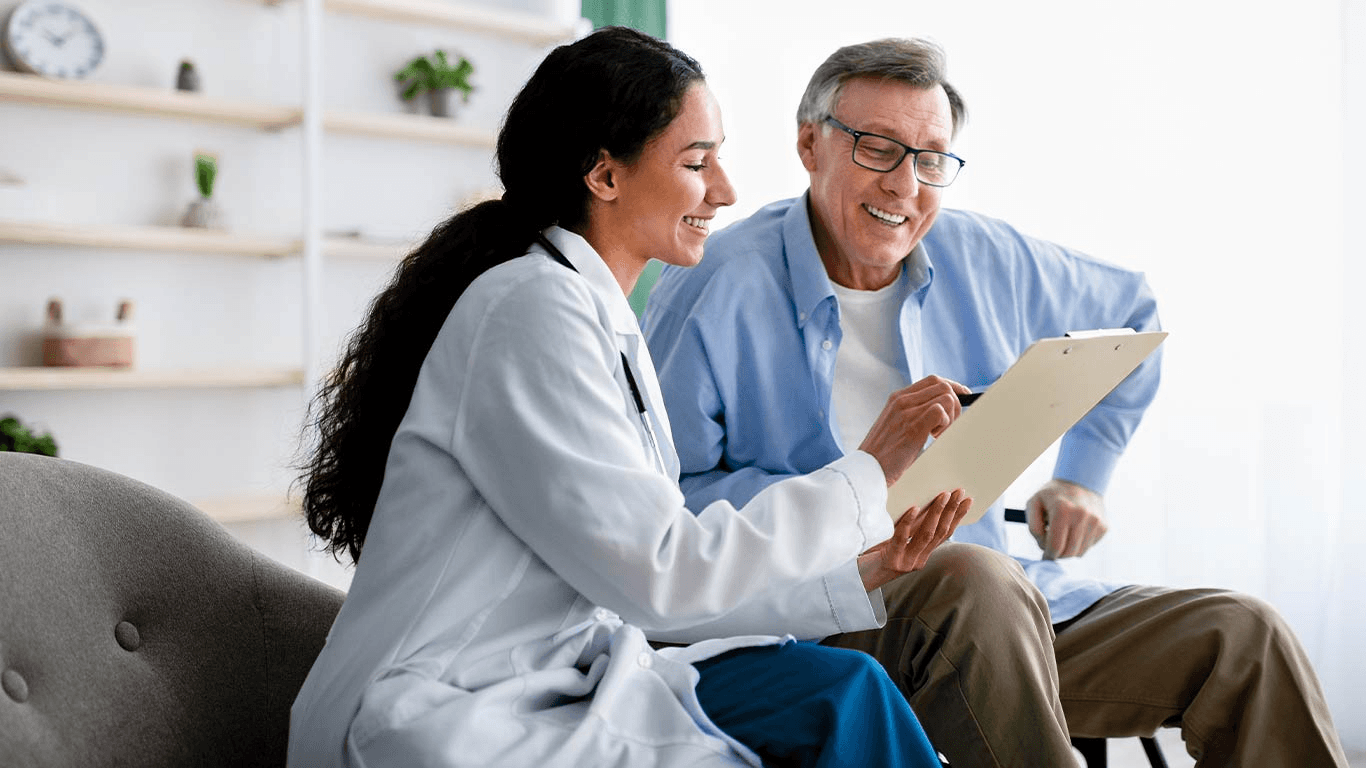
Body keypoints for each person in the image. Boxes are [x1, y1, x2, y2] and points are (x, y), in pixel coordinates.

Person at [643, 37, 1349, 768]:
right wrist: (853, 497)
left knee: (1242, 635)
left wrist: (1083, 475)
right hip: (823, 611)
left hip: (1004, 608)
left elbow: (1133, 315)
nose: (906, 186)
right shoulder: (713, 287)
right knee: (973, 577)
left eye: (930, 159)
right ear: (809, 144)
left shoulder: (987, 258)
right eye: (878, 149)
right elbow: (664, 511)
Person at [287, 27, 972, 768]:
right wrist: (866, 472)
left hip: (554, 678)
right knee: (824, 708)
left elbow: (639, 580)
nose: (726, 191)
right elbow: (662, 575)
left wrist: (861, 572)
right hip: (442, 708)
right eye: (696, 162)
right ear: (605, 176)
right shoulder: (529, 309)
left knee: (844, 687)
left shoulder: (594, 312)